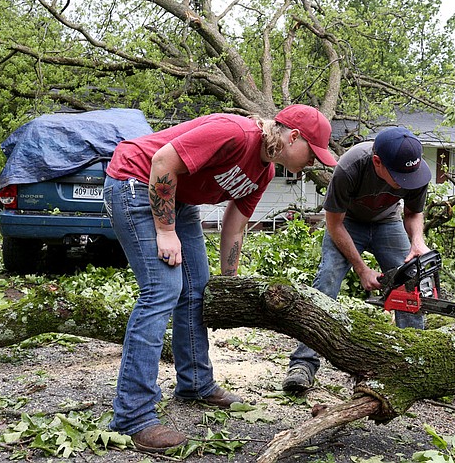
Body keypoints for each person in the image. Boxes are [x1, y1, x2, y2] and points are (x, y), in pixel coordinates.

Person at [103, 104, 337, 453]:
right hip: (135, 182)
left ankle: (195, 383)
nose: (314, 162)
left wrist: (230, 280)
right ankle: (132, 416)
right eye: (313, 153)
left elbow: (234, 225)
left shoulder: (264, 173)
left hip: (177, 198)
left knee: (199, 291)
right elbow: (162, 163)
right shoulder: (234, 132)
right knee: (162, 290)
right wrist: (165, 232)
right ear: (293, 137)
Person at [281, 126, 432, 395]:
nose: (406, 182)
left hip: (387, 221)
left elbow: (413, 214)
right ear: (377, 162)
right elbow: (335, 224)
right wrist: (362, 269)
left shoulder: (415, 172)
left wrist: (417, 241)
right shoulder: (351, 166)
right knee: (327, 278)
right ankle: (303, 363)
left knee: (410, 281)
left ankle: (412, 365)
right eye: (399, 177)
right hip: (347, 222)